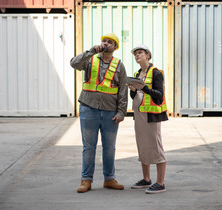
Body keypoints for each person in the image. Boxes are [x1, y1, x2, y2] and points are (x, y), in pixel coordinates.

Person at [70, 33, 128, 193]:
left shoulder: (119, 65)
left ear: (115, 47)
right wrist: (90, 51)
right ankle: (86, 180)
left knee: (109, 148)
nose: (106, 44)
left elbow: (123, 90)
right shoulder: (90, 59)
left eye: (110, 42)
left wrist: (121, 112)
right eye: (104, 41)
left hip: (110, 113)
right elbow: (74, 64)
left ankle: (109, 179)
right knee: (89, 147)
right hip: (88, 109)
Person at [128, 45, 168, 194]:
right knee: (142, 146)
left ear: (147, 56)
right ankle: (146, 179)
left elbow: (159, 94)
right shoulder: (137, 73)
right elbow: (136, 96)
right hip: (139, 115)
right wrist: (133, 91)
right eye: (135, 54)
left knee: (156, 148)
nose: (137, 56)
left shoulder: (156, 73)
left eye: (140, 53)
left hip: (151, 115)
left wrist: (143, 88)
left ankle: (161, 183)